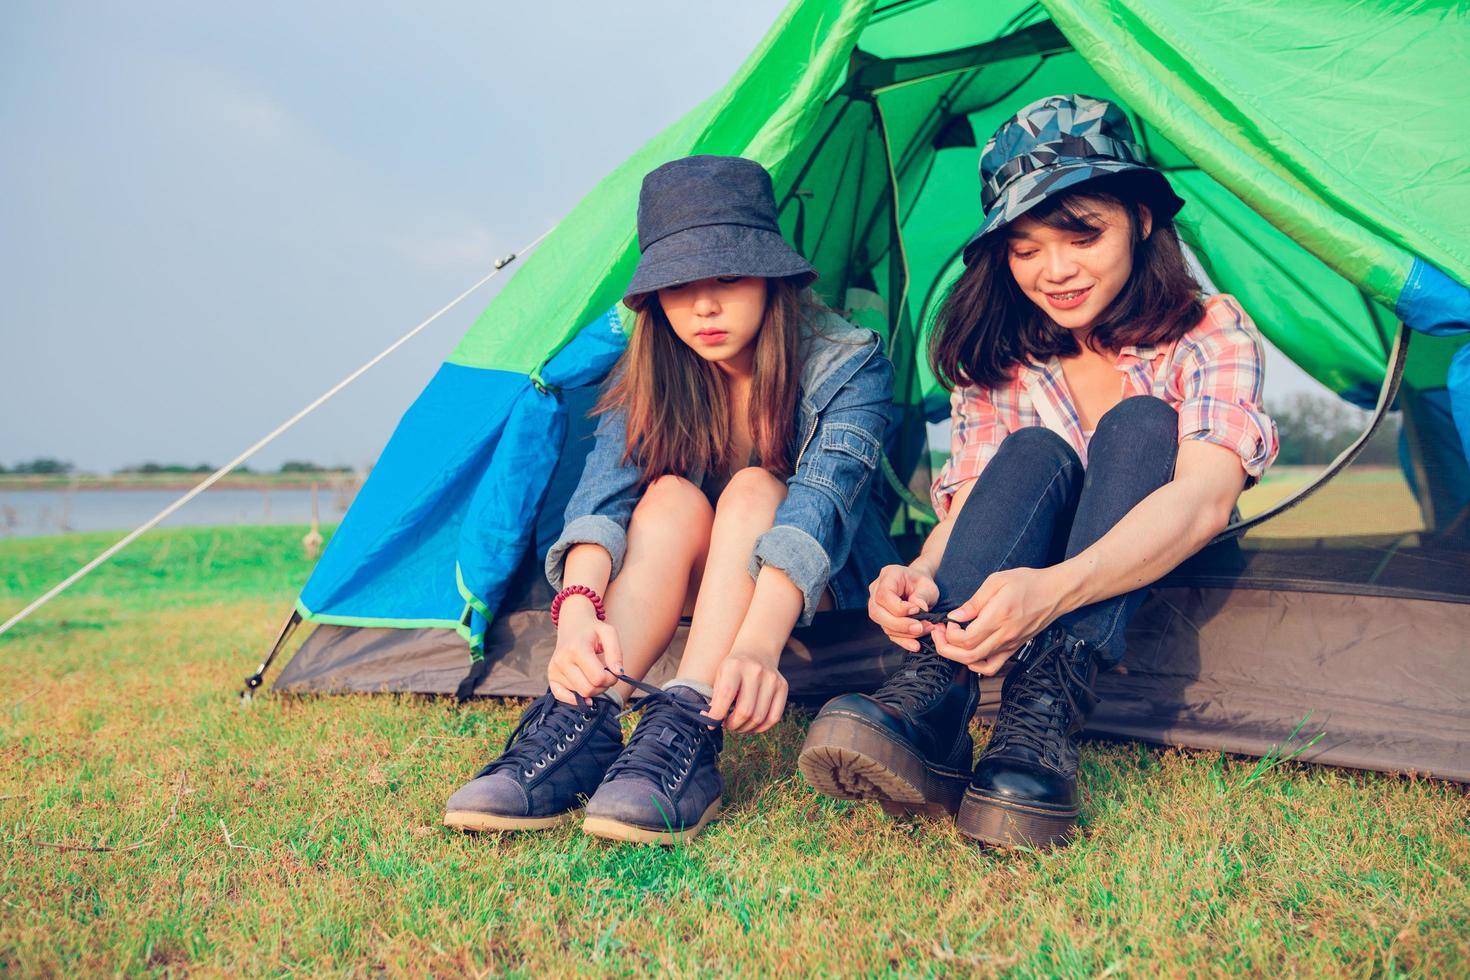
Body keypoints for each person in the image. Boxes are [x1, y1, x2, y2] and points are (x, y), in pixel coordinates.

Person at [799, 95, 1278, 849]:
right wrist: (922, 572)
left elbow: (1202, 500)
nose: (1054, 271)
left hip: (1157, 567)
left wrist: (1049, 592)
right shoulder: (1004, 358)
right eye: (1024, 249)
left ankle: (1042, 711)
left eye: (1081, 235)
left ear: (1142, 221)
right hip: (1016, 583)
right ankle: (936, 695)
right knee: (1031, 451)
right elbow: (978, 495)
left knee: (1142, 423)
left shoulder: (1207, 330)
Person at [444, 155, 898, 844]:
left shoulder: (847, 361)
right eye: (679, 286)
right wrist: (576, 614)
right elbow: (603, 495)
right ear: (654, 296)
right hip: (690, 576)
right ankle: (582, 715)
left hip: (813, 588)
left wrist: (754, 647)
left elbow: (819, 510)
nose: (705, 306)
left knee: (753, 488)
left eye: (727, 277)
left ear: (773, 276)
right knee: (667, 496)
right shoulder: (653, 367)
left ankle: (687, 722)